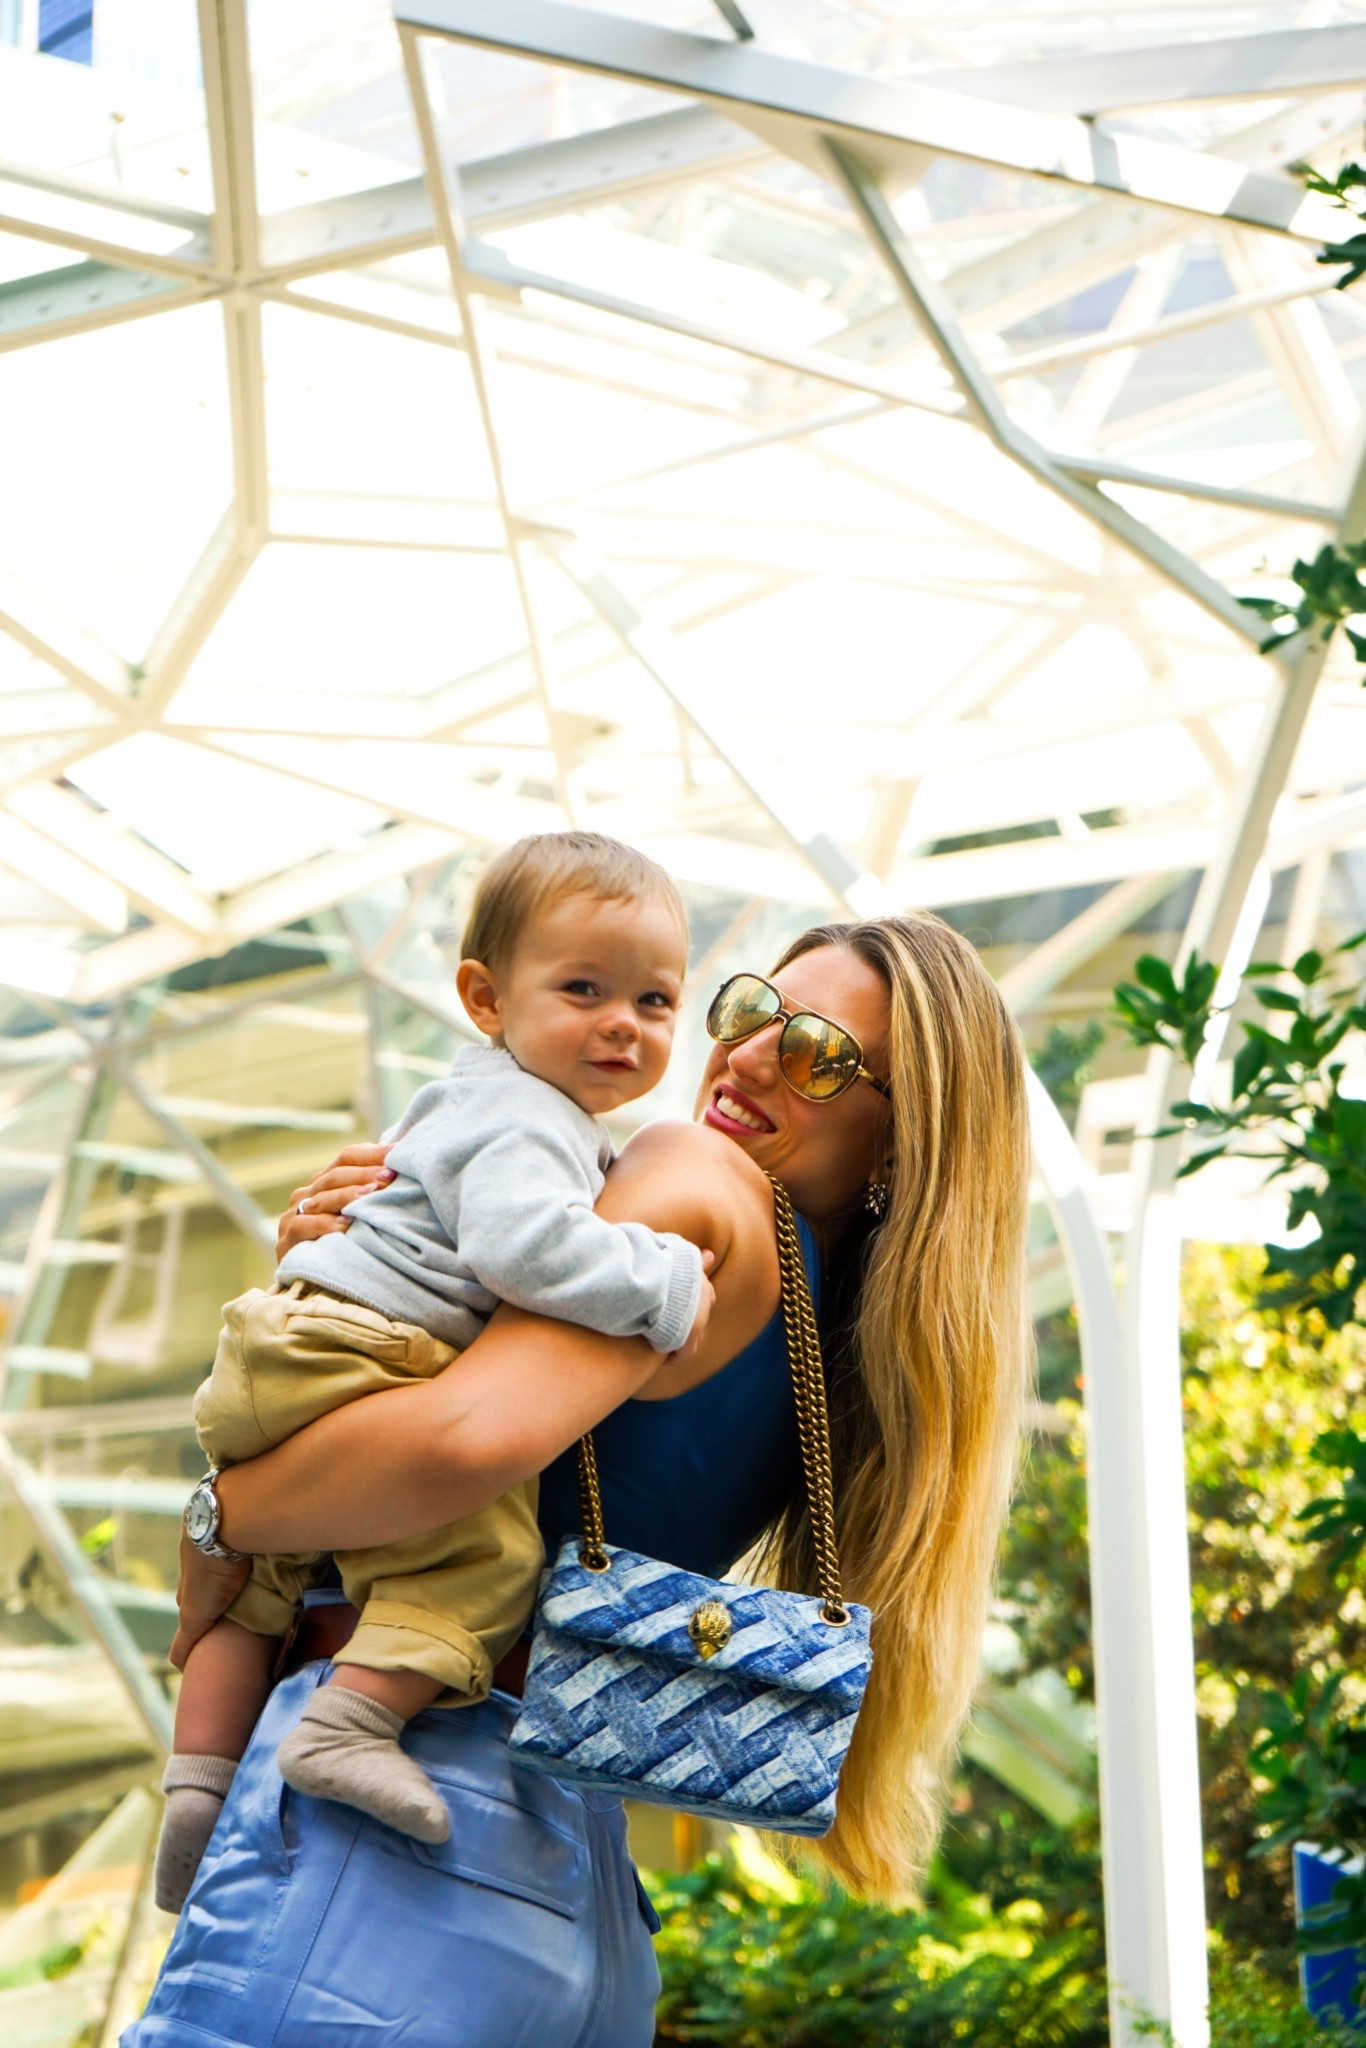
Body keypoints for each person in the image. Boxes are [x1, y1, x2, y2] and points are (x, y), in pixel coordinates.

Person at [129, 911, 1031, 2048]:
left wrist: (223, 1516)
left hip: (406, 1811)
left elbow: (463, 1442)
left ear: (902, 1140)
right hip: (576, 1890)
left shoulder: (695, 1175)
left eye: (816, 1053)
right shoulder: (838, 1334)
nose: (750, 1054)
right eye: (753, 1010)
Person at [155, 834, 712, 1912]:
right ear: (485, 997)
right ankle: (352, 1721)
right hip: (362, 1352)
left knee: (260, 1585)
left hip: (282, 1342)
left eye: (653, 1000)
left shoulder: (466, 1097)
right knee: (483, 1551)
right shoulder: (526, 1115)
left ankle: (197, 1785)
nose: (621, 1022)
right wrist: (664, 1279)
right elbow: (527, 1252)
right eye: (584, 988)